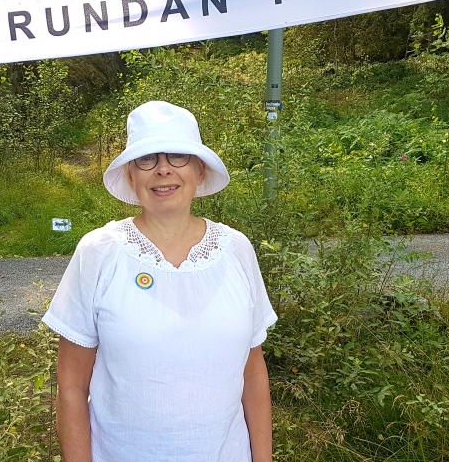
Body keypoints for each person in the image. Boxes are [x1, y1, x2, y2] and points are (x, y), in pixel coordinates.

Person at [41, 100, 278, 462]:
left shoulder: (236, 250)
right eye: (146, 159)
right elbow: (72, 386)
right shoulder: (99, 252)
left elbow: (253, 373)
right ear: (131, 175)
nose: (163, 169)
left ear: (199, 171)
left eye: (178, 156)